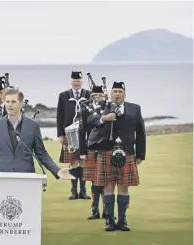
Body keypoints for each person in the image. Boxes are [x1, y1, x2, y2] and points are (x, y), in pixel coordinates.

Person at [0, 88, 74, 181]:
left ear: (21, 103)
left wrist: (57, 171)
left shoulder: (33, 126)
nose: (9, 104)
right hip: (1, 176)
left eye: (13, 101)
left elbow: (41, 154)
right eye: (7, 101)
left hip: (26, 177)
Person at [87, 81, 146, 231]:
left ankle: (122, 220)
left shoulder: (134, 109)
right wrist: (104, 118)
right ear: (111, 94)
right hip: (106, 151)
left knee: (123, 187)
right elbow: (90, 121)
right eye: (115, 91)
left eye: (120, 91)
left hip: (126, 151)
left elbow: (140, 132)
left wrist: (140, 154)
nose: (117, 94)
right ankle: (110, 221)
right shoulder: (102, 107)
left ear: (124, 94)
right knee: (108, 187)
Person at [56, 71, 91, 199]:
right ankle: (73, 191)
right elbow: (59, 116)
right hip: (69, 134)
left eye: (78, 81)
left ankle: (83, 191)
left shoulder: (88, 94)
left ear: (82, 82)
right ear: (71, 81)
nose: (76, 83)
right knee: (73, 162)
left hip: (84, 134)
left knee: (83, 162)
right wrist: (60, 134)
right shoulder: (64, 96)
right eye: (74, 81)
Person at [78, 85, 107, 220]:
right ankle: (95, 211)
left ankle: (107, 210)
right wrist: (82, 152)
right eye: (94, 95)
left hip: (106, 148)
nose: (96, 97)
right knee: (94, 182)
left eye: (98, 95)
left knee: (106, 181)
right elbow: (81, 131)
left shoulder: (109, 108)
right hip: (91, 148)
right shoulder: (85, 110)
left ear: (103, 95)